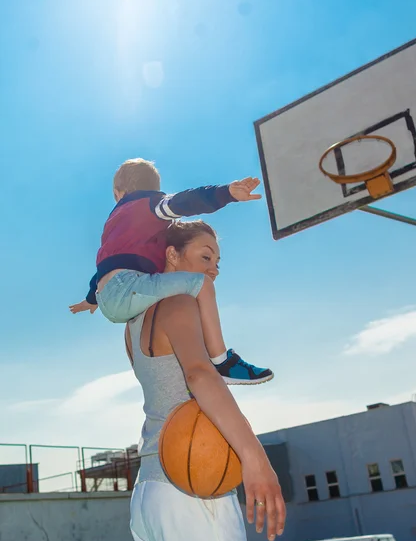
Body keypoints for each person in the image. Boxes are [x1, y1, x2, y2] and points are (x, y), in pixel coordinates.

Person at [125, 219, 286, 541]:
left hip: (150, 492)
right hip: (192, 490)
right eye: (205, 256)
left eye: (217, 261)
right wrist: (255, 458)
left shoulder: (133, 322)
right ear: (172, 254)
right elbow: (200, 375)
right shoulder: (180, 302)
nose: (214, 268)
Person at [70, 158, 272, 385]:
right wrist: (226, 193)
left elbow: (106, 265)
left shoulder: (114, 225)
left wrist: (90, 300)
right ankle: (222, 362)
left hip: (107, 296)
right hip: (128, 288)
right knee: (202, 284)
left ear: (118, 194)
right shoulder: (149, 205)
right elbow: (185, 201)